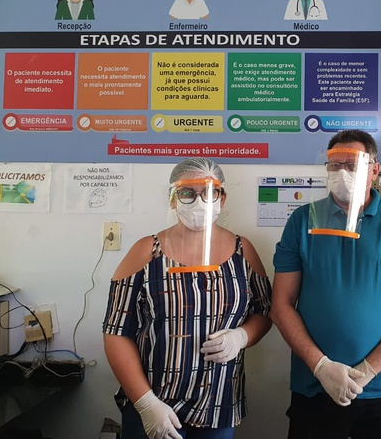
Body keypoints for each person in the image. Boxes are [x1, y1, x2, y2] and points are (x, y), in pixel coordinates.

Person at [271, 129, 381, 439]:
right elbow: (281, 305)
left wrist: (367, 371)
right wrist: (321, 366)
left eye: (352, 165)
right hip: (315, 386)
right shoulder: (303, 220)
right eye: (335, 165)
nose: (342, 172)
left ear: (374, 170)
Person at [103, 158, 272, 439]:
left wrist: (242, 336)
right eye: (187, 193)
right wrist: (146, 403)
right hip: (154, 402)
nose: (199, 202)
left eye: (209, 192)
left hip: (217, 405)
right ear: (172, 199)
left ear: (222, 198)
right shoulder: (146, 252)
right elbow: (116, 331)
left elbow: (264, 311)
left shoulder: (243, 252)